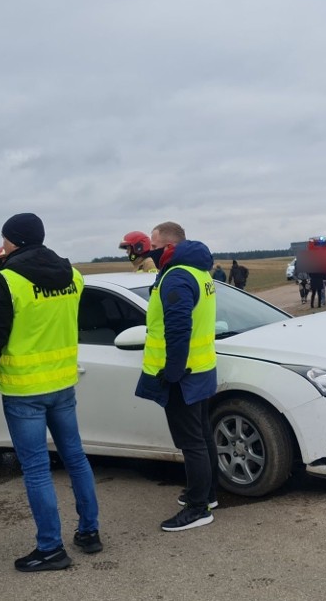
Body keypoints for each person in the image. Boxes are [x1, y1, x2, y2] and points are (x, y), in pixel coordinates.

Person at [0, 212, 101, 572]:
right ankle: (89, 533)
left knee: (37, 470)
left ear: (17, 241)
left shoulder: (7, 281)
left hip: (25, 389)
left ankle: (51, 549)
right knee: (76, 458)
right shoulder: (72, 274)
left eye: (6, 239)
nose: (4, 245)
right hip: (63, 384)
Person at [135, 221, 219, 532]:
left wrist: (171, 371)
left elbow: (179, 327)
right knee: (203, 434)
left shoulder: (176, 276)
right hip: (202, 368)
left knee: (191, 442)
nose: (151, 252)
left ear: (168, 246)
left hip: (182, 375)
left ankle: (199, 508)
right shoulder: (200, 272)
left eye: (154, 247)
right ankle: (208, 494)